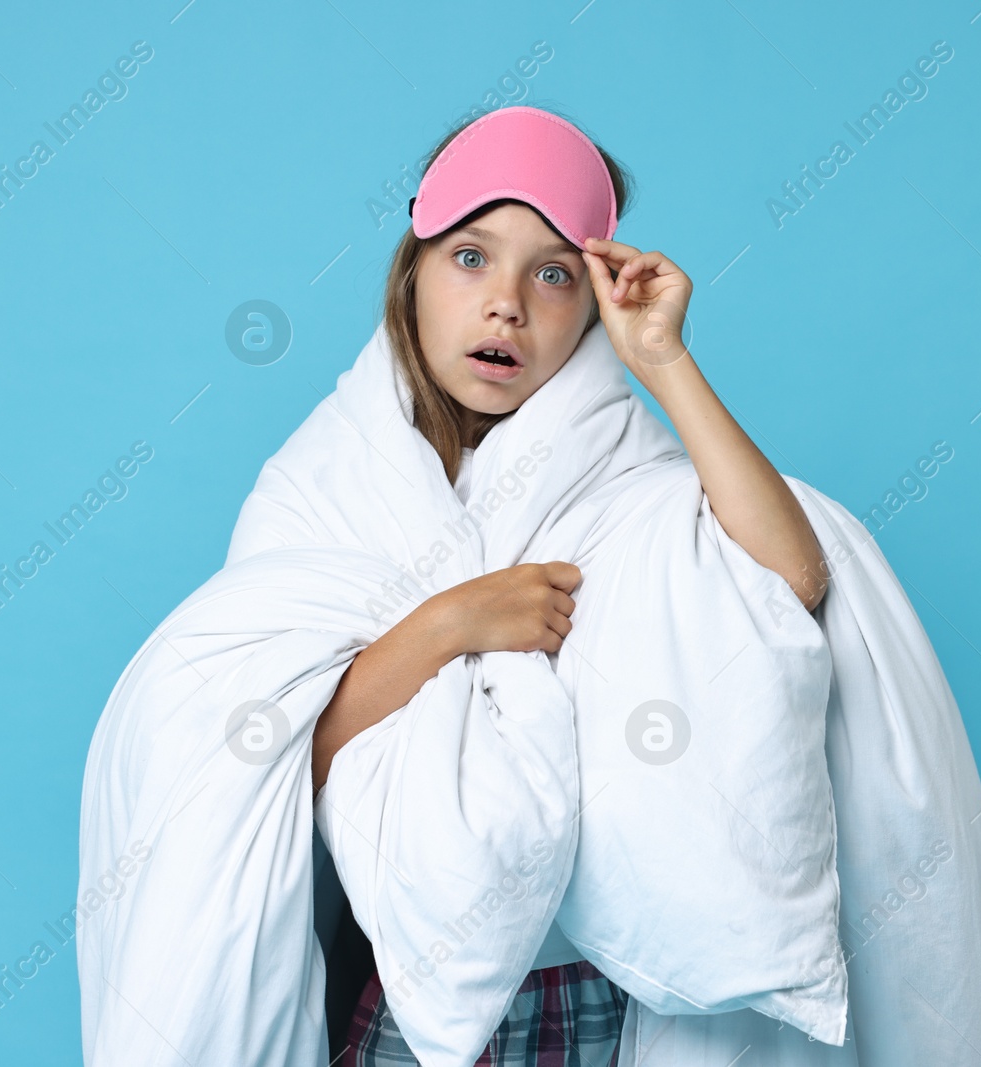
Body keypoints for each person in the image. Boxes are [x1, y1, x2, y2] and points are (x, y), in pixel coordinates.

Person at [314, 103, 830, 1066]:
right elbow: (271, 758)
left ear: (592, 304)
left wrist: (663, 361)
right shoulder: (328, 484)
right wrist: (451, 623)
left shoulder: (620, 479)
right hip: (412, 1000)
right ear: (412, 271)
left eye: (552, 274)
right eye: (470, 257)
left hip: (594, 996)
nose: (506, 302)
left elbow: (790, 581)